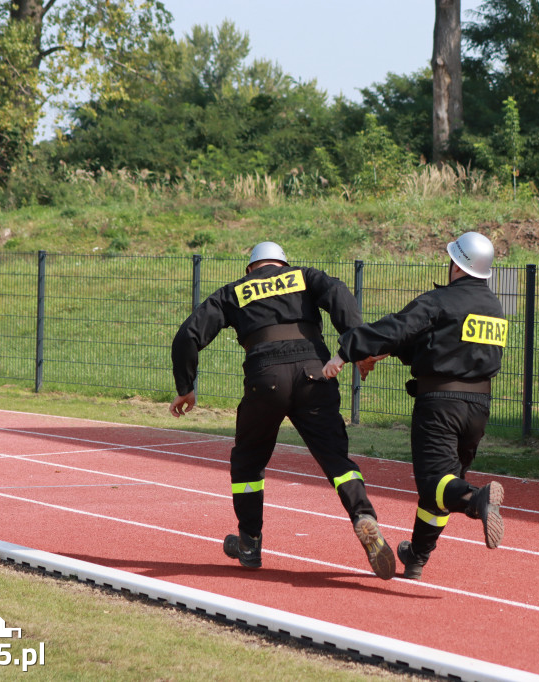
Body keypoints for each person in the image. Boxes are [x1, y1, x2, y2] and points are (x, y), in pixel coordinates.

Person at [169, 241, 395, 579]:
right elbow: (339, 293)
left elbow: (187, 335)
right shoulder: (303, 276)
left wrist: (186, 387)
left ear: (251, 269)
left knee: (248, 462)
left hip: (266, 378)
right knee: (336, 460)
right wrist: (356, 344)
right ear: (281, 264)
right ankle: (363, 516)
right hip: (314, 373)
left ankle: (249, 543)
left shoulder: (233, 292)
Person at [322, 231, 506, 580]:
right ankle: (417, 556)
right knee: (440, 488)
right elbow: (433, 343)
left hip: (440, 404)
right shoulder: (495, 309)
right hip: (479, 407)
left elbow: (398, 327)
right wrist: (383, 352)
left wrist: (349, 350)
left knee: (436, 481)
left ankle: (477, 499)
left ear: (456, 264)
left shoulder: (441, 301)